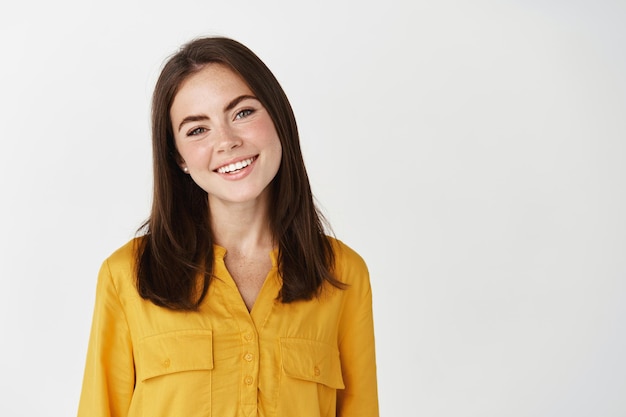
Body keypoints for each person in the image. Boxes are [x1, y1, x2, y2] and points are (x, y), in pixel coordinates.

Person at [77, 36, 379, 417]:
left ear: (278, 118)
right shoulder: (127, 277)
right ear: (179, 158)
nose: (227, 141)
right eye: (197, 130)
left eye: (242, 113)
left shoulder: (342, 274)